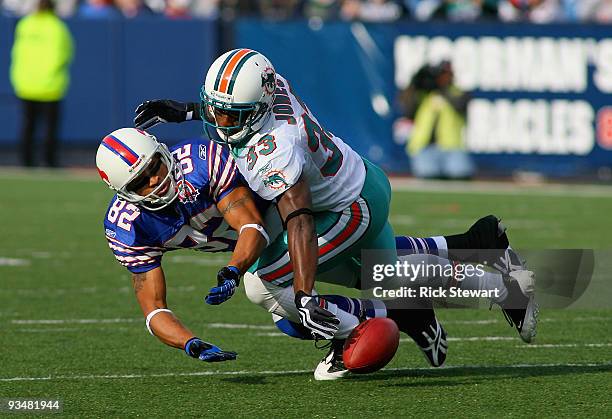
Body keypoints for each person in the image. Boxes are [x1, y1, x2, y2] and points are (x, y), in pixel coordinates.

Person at [133, 49, 538, 379]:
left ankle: (353, 334)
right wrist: (187, 110)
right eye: (214, 110)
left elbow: (300, 221)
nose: (220, 124)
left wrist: (307, 294)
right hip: (352, 179)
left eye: (229, 116)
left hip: (349, 206)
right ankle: (490, 273)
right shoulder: (267, 93)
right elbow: (236, 108)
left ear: (256, 110)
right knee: (383, 274)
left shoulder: (275, 147)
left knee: (267, 280)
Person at [10, 0, 74, 167]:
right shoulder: (58, 27)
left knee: (28, 126)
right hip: (51, 85)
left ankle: (26, 162)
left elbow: (17, 54)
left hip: (26, 85)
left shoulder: (25, 24)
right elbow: (66, 54)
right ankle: (49, 162)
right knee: (49, 128)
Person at [399, 60, 475, 179]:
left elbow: (459, 105)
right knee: (427, 175)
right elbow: (407, 110)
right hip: (424, 147)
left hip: (451, 148)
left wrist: (442, 87)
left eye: (444, 73)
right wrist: (415, 83)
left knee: (460, 175)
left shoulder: (459, 93)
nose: (441, 77)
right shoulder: (424, 94)